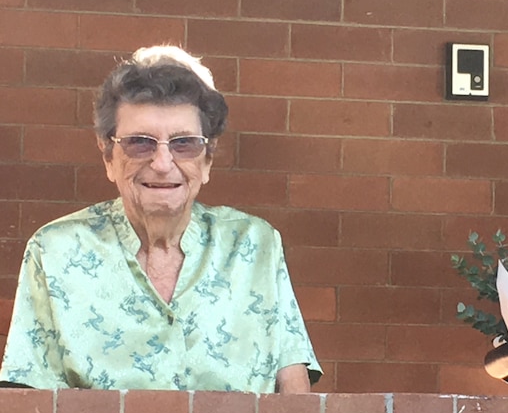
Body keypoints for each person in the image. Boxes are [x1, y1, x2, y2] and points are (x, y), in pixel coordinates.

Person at [0, 45, 320, 393]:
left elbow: (294, 397)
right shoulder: (55, 252)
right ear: (108, 156)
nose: (163, 163)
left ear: (208, 159)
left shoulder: (255, 245)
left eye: (185, 143)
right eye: (140, 143)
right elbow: (26, 403)